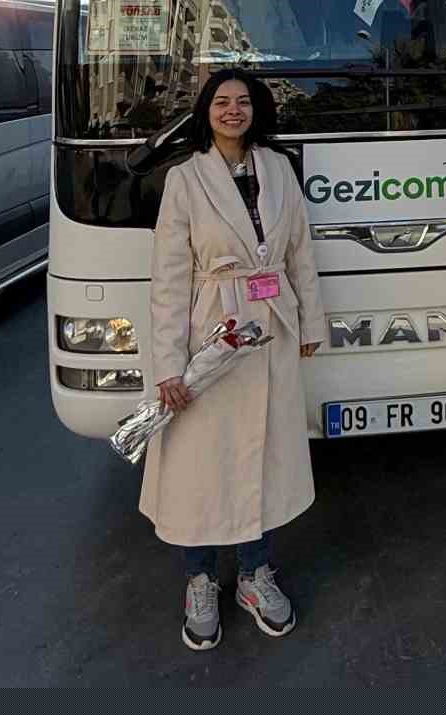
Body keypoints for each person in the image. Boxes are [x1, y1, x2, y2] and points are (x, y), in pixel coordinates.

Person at [139, 69, 326, 651]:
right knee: (200, 463)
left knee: (261, 456)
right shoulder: (185, 179)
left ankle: (254, 574)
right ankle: (199, 579)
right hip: (211, 337)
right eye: (221, 102)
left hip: (271, 328)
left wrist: (311, 323)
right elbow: (169, 278)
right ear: (206, 111)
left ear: (256, 110)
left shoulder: (278, 168)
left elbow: (300, 251)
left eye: (243, 101)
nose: (233, 111)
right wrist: (168, 364)